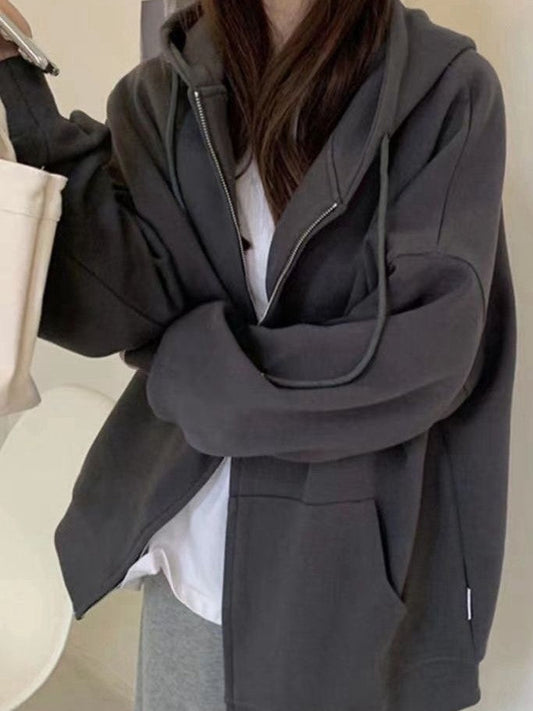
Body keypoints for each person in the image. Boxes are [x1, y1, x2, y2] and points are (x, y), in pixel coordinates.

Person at [0, 1, 517, 710]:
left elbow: (424, 355)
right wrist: (14, 72)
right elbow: (115, 302)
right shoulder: (165, 90)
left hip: (342, 581)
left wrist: (205, 382)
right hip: (191, 563)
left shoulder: (443, 89)